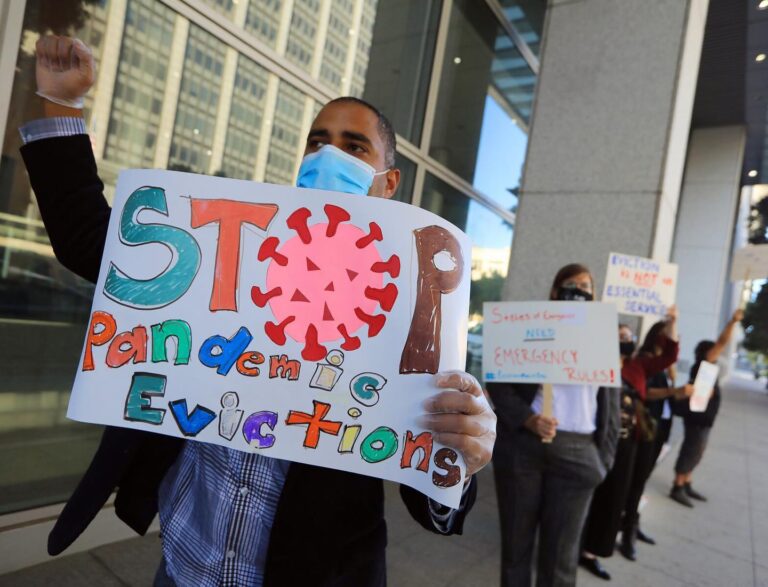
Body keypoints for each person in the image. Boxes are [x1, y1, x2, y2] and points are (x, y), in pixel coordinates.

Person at [21, 35, 497, 587]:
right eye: (317, 142)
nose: (328, 156)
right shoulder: (233, 245)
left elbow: (427, 487)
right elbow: (91, 244)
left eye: (354, 146)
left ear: (388, 182)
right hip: (182, 565)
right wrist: (61, 105)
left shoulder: (416, 301)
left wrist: (461, 460)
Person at [486, 263, 621, 587]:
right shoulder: (528, 327)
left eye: (585, 286)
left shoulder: (603, 336)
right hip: (523, 448)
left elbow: (612, 405)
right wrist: (528, 419)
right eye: (571, 284)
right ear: (555, 291)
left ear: (593, 295)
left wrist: (603, 461)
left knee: (561, 556)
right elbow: (499, 386)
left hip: (578, 450)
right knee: (516, 548)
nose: (579, 290)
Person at [580, 315, 692, 580]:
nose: (625, 340)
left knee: (614, 496)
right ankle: (574, 542)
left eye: (629, 336)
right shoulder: (592, 364)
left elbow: (669, 357)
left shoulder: (637, 366)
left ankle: (591, 552)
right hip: (595, 439)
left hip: (628, 440)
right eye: (620, 336)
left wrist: (673, 325)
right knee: (588, 495)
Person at [670, 309, 743, 507]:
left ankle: (686, 481)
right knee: (692, 449)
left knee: (697, 450)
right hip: (697, 418)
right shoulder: (704, 362)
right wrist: (732, 322)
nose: (718, 354)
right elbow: (722, 342)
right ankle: (677, 486)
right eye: (715, 352)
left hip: (703, 418)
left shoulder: (705, 367)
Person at [617, 320, 677, 558]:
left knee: (640, 480)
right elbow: (645, 392)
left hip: (653, 428)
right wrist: (674, 391)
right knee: (633, 481)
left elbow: (671, 355)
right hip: (636, 429)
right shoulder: (640, 360)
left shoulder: (651, 363)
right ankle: (626, 527)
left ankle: (632, 523)